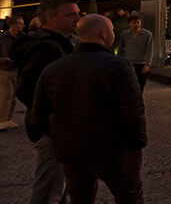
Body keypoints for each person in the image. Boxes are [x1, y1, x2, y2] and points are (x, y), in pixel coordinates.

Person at [27, 13, 146, 204]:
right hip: (114, 152)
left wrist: (61, 140)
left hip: (73, 151)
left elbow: (38, 114)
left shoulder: (54, 68)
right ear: (104, 33)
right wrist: (137, 143)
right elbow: (133, 112)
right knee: (129, 197)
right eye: (112, 31)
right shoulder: (119, 66)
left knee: (80, 199)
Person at [14, 0, 80, 204]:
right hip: (51, 128)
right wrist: (54, 117)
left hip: (59, 127)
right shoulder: (47, 47)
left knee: (62, 186)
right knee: (49, 190)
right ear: (51, 17)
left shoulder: (65, 42)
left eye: (78, 13)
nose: (78, 18)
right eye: (71, 14)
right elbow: (27, 89)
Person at [116, 12, 153, 90]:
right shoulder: (125, 34)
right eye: (134, 23)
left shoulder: (147, 34)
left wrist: (147, 64)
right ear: (129, 24)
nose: (136, 24)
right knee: (129, 83)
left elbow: (149, 49)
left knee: (140, 83)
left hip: (141, 62)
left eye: (138, 22)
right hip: (129, 62)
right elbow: (121, 48)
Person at [1, 14, 25, 130]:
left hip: (18, 69)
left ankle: (9, 119)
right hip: (4, 68)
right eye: (20, 23)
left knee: (14, 96)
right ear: (12, 25)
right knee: (7, 95)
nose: (23, 26)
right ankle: (2, 120)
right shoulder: (2, 38)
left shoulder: (23, 38)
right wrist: (5, 59)